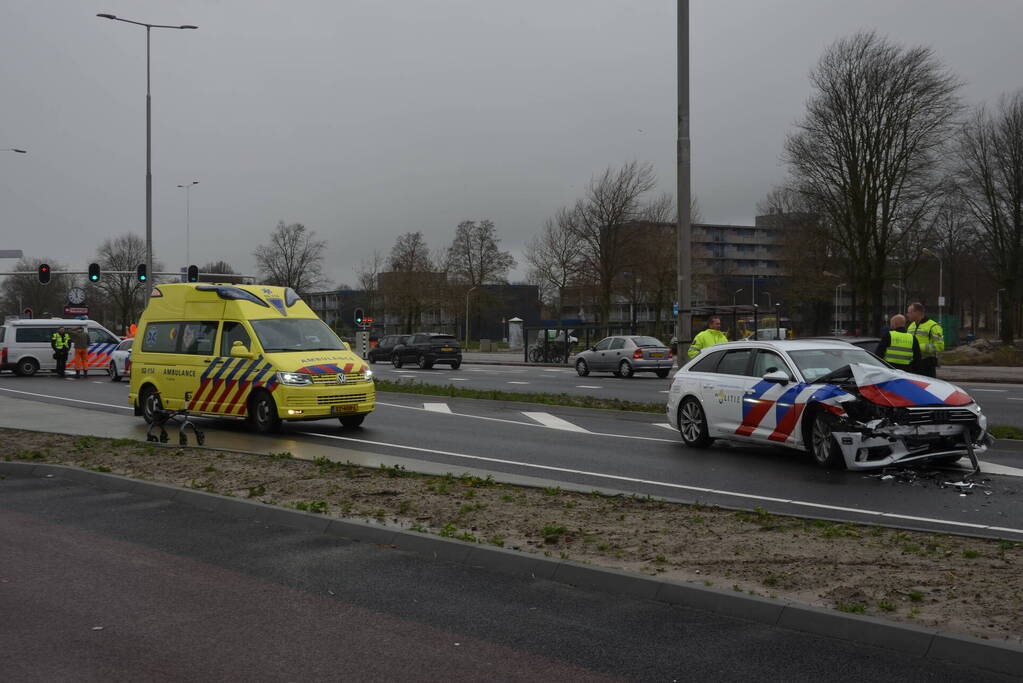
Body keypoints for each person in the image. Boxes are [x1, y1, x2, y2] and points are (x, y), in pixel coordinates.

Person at [906, 302, 944, 378]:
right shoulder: (911, 326)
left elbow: (940, 346)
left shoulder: (933, 326)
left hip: (926, 365)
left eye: (909, 312)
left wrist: (918, 347)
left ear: (917, 313)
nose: (907, 315)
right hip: (912, 364)